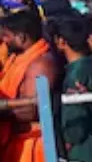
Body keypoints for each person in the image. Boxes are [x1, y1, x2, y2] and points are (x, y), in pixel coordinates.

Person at [0, 12, 60, 162]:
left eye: (7, 35)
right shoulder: (15, 58)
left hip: (32, 143)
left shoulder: (40, 64)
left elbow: (31, 111)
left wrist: (3, 108)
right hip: (14, 140)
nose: (3, 40)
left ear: (21, 37)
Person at [54, 16, 92, 162]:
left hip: (86, 149)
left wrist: (69, 140)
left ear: (61, 42)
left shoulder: (77, 73)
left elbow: (75, 119)